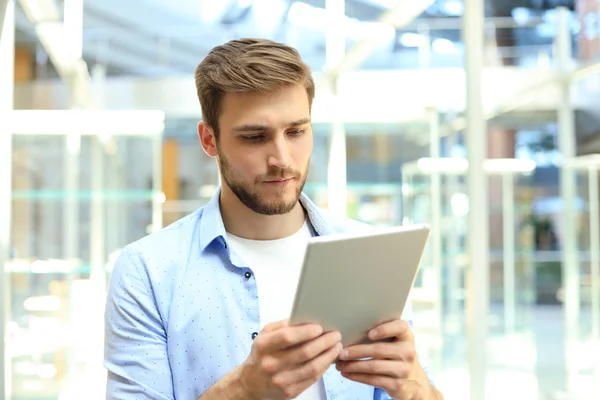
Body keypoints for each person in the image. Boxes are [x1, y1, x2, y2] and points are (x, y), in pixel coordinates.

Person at [104, 38, 444, 400]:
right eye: (254, 137)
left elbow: (408, 383)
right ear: (209, 140)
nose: (282, 158)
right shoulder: (148, 272)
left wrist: (416, 388)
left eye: (296, 131)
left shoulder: (372, 254)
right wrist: (243, 390)